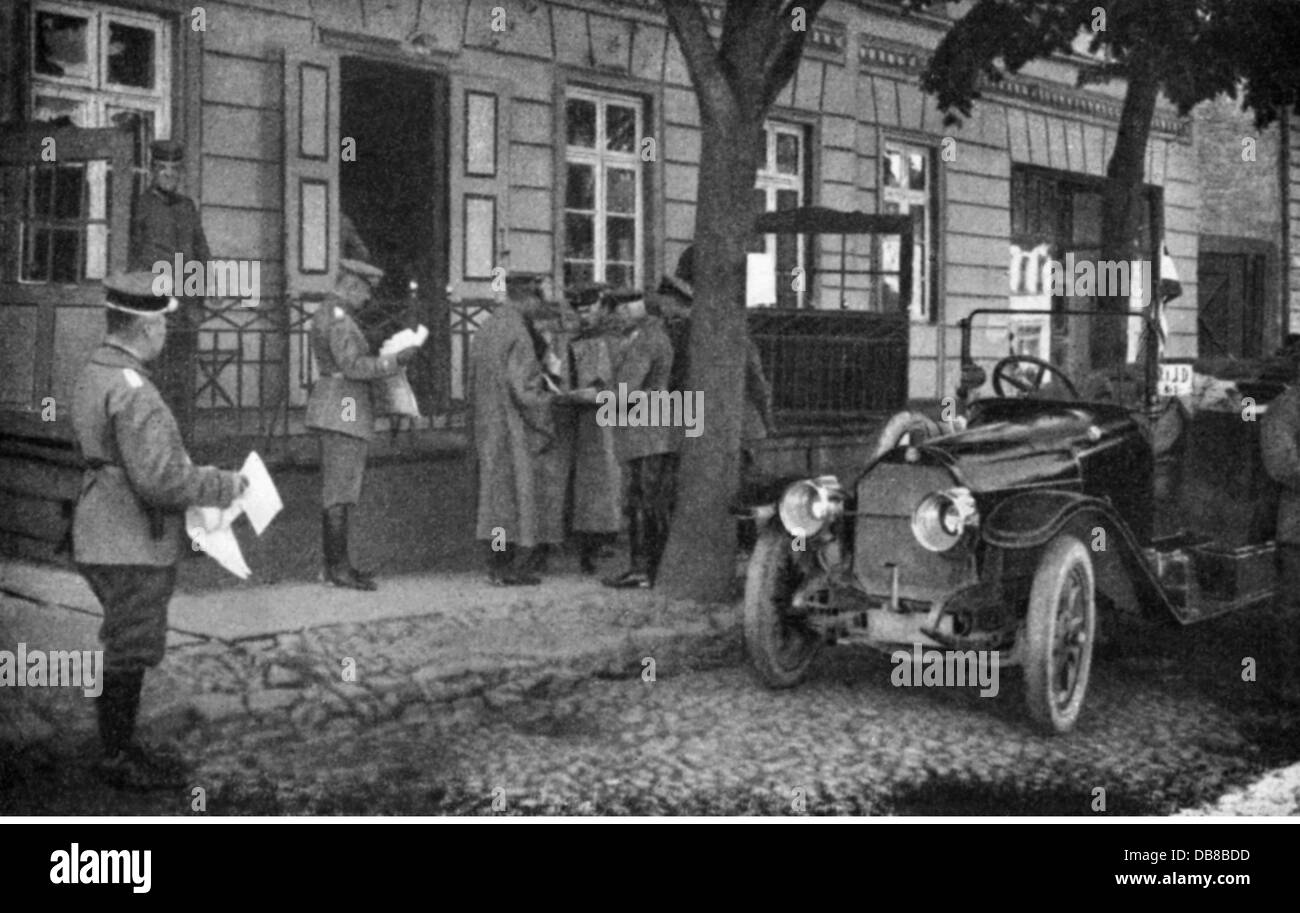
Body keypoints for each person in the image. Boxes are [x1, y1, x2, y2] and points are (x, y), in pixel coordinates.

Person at [71, 272, 247, 791]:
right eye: (164, 321)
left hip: (98, 528)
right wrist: (224, 484)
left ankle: (120, 744)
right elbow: (164, 481)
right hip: (132, 542)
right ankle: (115, 757)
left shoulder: (93, 371)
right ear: (146, 328)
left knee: (124, 639)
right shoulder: (136, 391)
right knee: (130, 645)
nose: (167, 331)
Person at [305, 258, 418, 591]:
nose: (367, 299)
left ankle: (337, 566)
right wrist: (394, 360)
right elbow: (352, 366)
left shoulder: (330, 313)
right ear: (352, 286)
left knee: (341, 489)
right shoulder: (339, 318)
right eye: (365, 292)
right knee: (340, 491)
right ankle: (337, 569)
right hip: (345, 405)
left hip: (339, 402)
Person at [471, 274, 560, 585]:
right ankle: (503, 568)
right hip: (511, 425)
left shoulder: (488, 326)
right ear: (529, 297)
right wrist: (549, 405)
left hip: (486, 422)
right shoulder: (518, 332)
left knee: (494, 500)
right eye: (539, 299)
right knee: (506, 502)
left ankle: (496, 566)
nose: (540, 307)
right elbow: (524, 390)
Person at [128, 140, 210, 427]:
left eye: (175, 169)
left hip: (185, 311)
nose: (170, 175)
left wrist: (199, 301)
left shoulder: (187, 207)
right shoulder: (140, 206)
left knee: (183, 385)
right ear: (152, 170)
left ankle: (183, 452)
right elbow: (131, 259)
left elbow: (201, 254)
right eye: (163, 169)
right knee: (154, 382)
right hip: (154, 310)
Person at [602, 289, 676, 589]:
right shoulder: (654, 336)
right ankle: (652, 568)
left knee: (639, 501)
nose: (619, 313)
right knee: (649, 500)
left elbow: (626, 390)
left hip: (642, 427)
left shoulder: (645, 340)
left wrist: (596, 396)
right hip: (651, 427)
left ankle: (642, 568)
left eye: (626, 307)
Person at [564, 284, 623, 573]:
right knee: (591, 481)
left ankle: (602, 538)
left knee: (604, 478)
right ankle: (591, 539)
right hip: (586, 417)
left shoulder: (608, 340)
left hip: (606, 415)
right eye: (580, 310)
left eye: (589, 310)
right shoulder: (579, 339)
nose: (584, 316)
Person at [1260, 364, 1300, 705]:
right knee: (1292, 610)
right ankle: (1288, 683)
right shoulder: (1283, 410)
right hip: (1297, 529)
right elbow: (1282, 465)